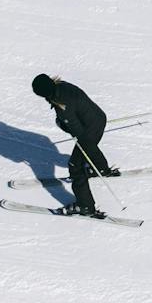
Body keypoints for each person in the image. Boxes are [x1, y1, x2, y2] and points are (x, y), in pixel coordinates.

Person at [32, 73, 118, 216]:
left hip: (88, 130)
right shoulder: (61, 85)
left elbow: (77, 131)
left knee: (75, 165)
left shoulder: (62, 105)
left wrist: (63, 124)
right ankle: (101, 169)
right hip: (97, 118)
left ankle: (85, 206)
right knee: (90, 146)